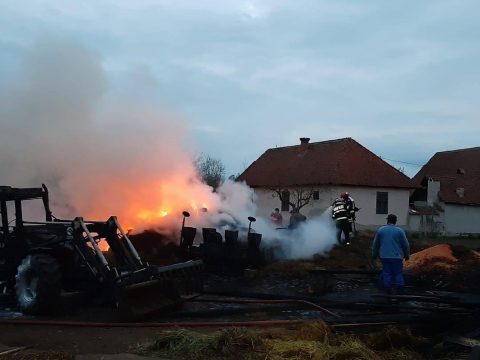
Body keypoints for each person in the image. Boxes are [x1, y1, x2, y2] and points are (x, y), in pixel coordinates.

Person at [372, 214, 410, 294]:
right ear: (395, 221)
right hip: (397, 257)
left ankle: (387, 291)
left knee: (387, 273)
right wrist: (407, 255)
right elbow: (405, 245)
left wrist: (374, 254)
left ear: (387, 220)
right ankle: (400, 290)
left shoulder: (381, 230)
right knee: (398, 273)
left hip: (384, 256)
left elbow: (375, 244)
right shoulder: (400, 231)